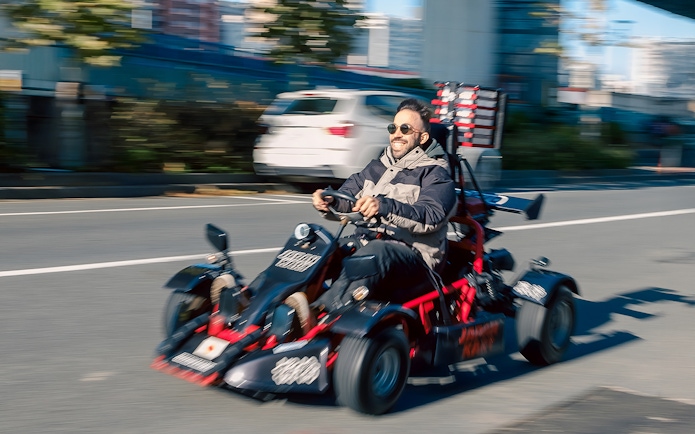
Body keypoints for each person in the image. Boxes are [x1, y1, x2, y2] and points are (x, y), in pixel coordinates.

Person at [284, 98, 457, 322]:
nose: (397, 133)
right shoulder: (377, 167)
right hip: (369, 244)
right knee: (315, 245)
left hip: (415, 260)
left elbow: (431, 216)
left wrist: (383, 206)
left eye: (405, 129)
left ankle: (319, 315)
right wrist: (328, 200)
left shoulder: (436, 174)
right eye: (393, 127)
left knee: (375, 252)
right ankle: (256, 303)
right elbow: (347, 197)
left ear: (422, 137)